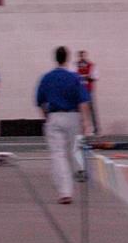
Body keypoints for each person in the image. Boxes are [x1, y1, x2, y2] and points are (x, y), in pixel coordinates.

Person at [36, 46, 92, 205]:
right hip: (73, 116)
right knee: (72, 151)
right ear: (67, 59)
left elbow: (40, 101)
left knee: (57, 153)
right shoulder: (74, 78)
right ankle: (76, 174)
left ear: (55, 58)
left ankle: (64, 191)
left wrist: (46, 117)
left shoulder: (47, 78)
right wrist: (86, 122)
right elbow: (83, 101)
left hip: (54, 116)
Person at [75, 50, 99, 134]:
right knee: (77, 110)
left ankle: (96, 129)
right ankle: (79, 130)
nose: (82, 58)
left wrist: (86, 77)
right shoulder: (74, 66)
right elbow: (72, 76)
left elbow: (95, 76)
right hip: (78, 91)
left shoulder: (91, 66)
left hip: (88, 90)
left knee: (91, 110)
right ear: (79, 57)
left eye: (84, 56)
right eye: (81, 56)